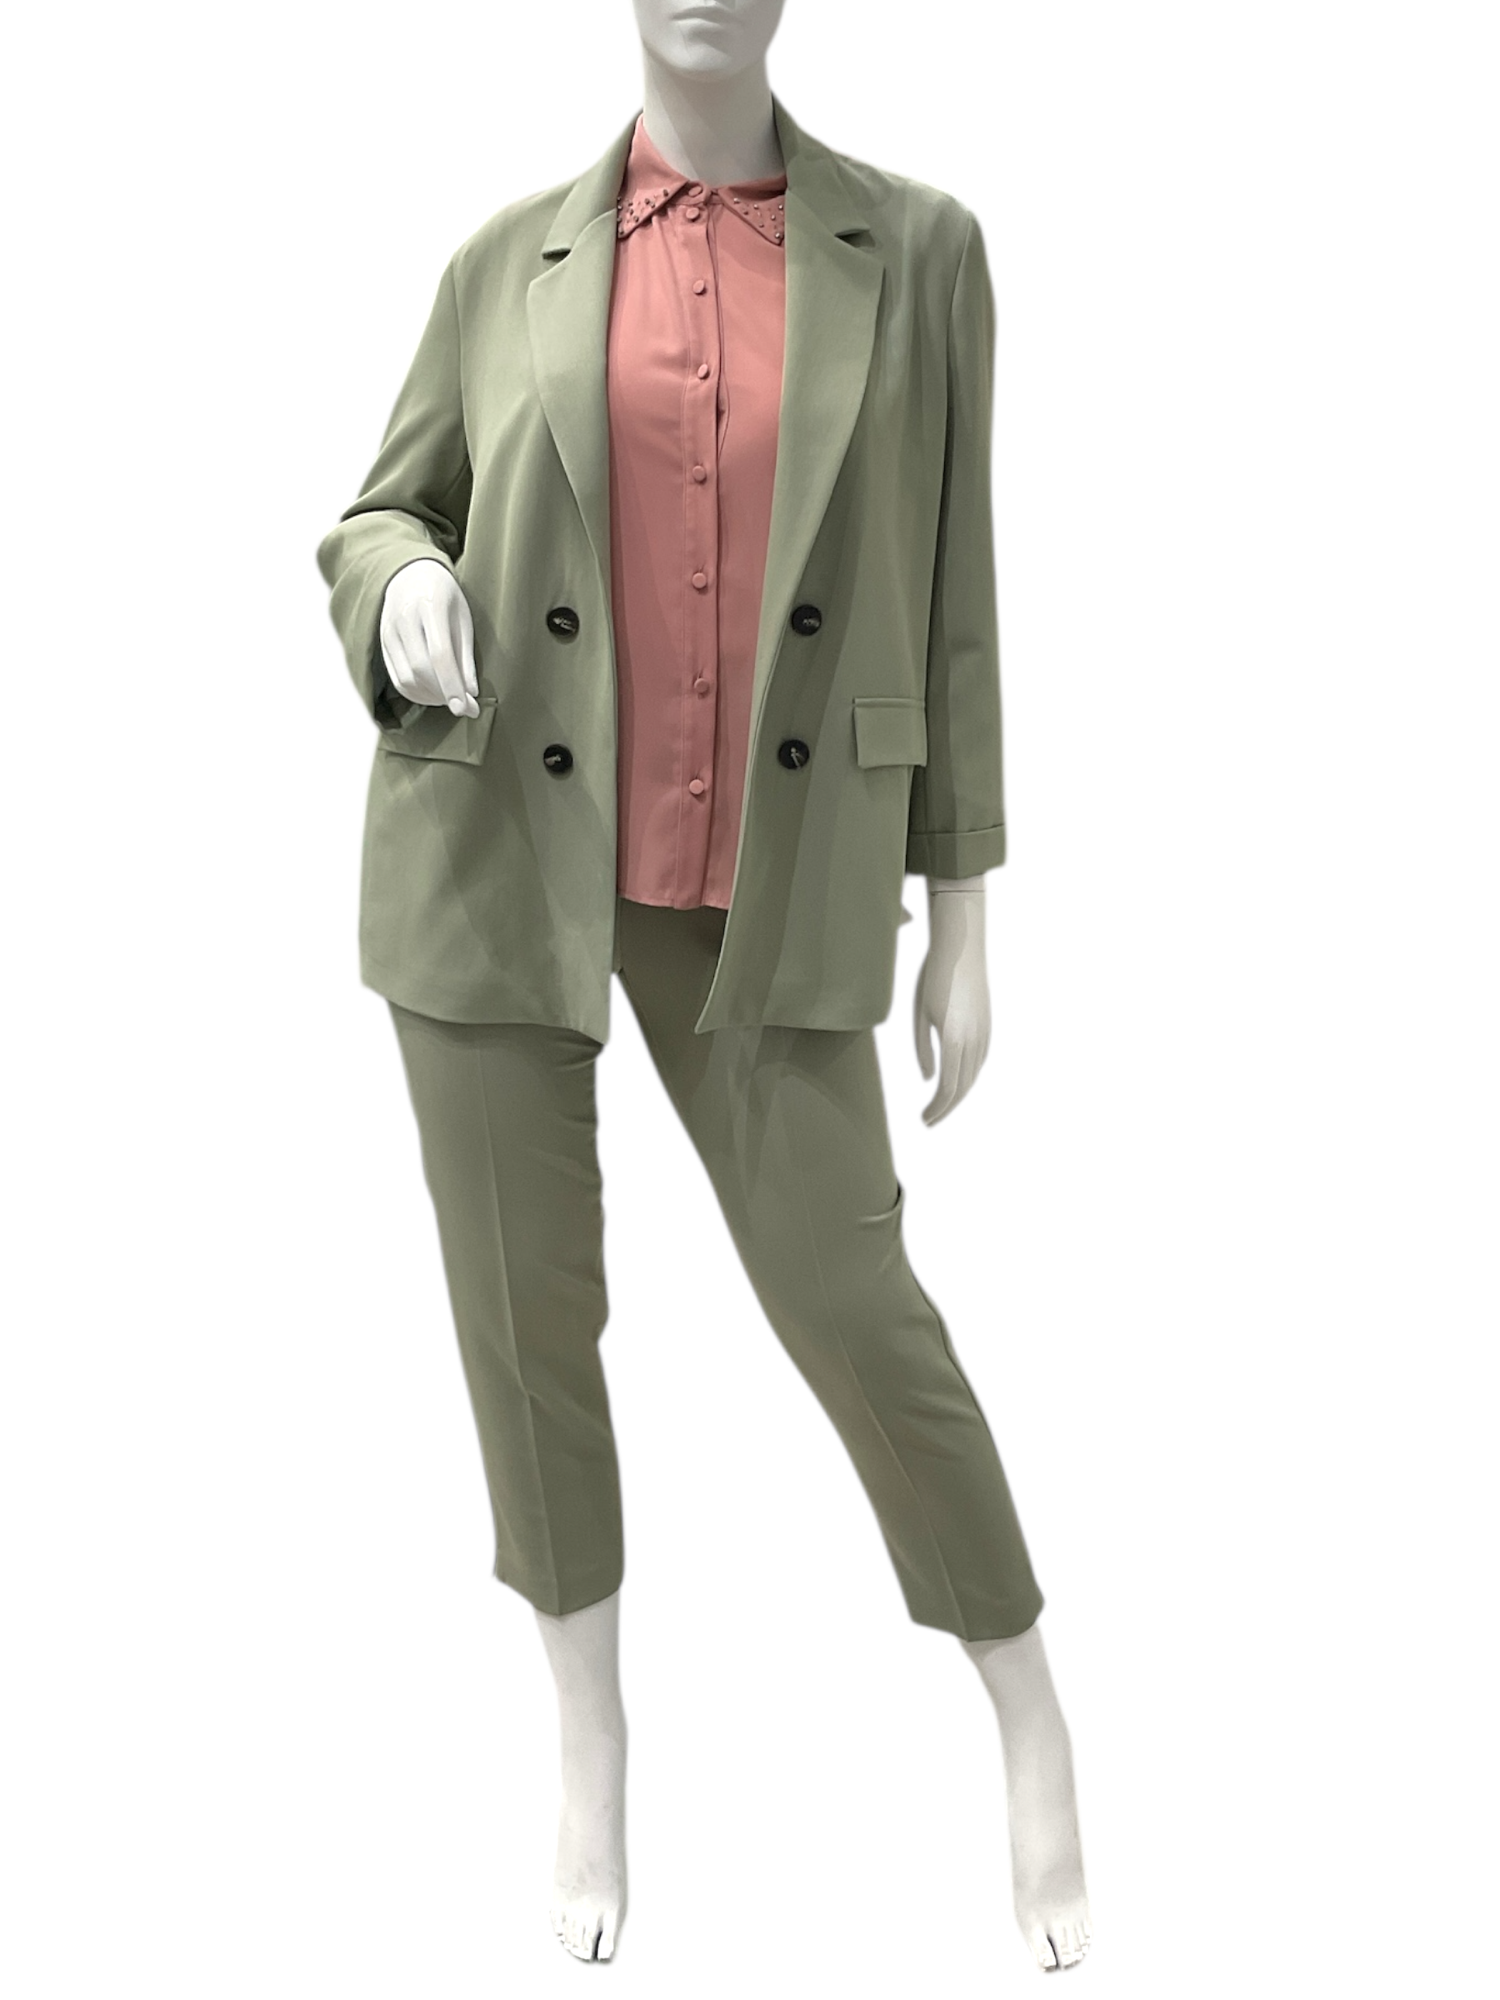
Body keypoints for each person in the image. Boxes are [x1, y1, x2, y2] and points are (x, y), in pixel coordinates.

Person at [316, 0, 1091, 1971]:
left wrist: (966, 900)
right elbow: (380, 508)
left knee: (856, 1303)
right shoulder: (505, 260)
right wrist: (404, 592)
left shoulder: (919, 249)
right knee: (527, 1325)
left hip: (778, 875)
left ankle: (1026, 1704)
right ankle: (589, 1738)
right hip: (499, 866)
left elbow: (959, 591)